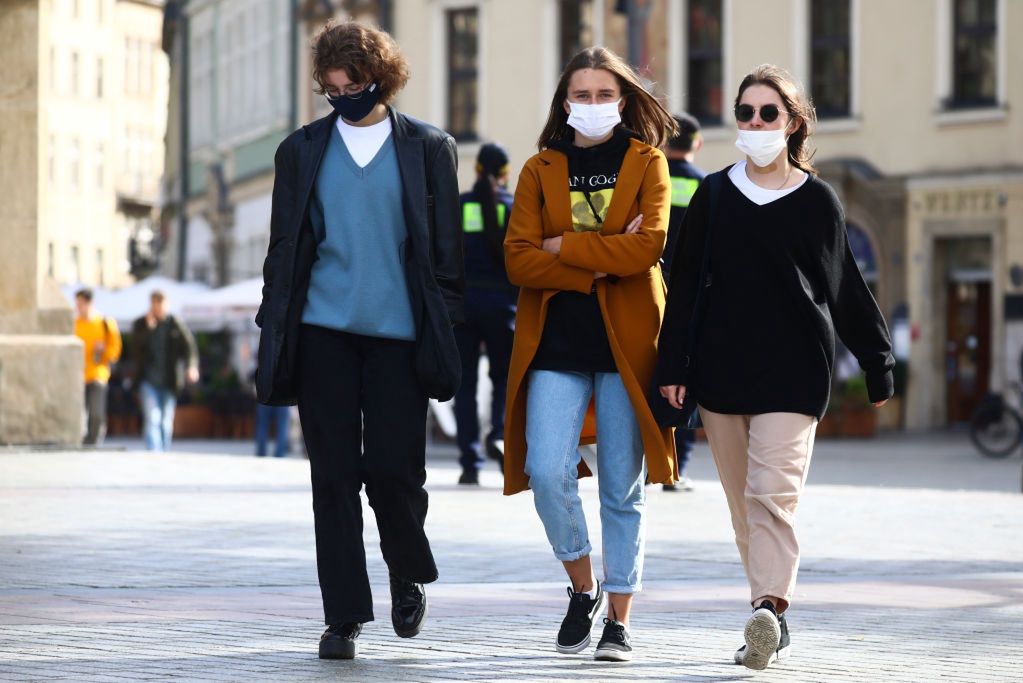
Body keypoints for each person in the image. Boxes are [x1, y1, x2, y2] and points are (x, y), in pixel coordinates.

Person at [657, 64, 894, 671]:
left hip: (795, 370)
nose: (755, 123)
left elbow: (845, 286)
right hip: (722, 370)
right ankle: (770, 619)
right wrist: (673, 365)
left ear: (793, 124)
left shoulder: (817, 199)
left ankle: (769, 606)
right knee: (743, 506)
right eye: (745, 112)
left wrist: (876, 359)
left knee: (772, 496)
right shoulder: (712, 193)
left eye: (768, 113)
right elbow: (683, 287)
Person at [253, 20, 463, 661]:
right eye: (330, 87)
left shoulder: (429, 148)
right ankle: (342, 615)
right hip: (325, 333)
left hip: (401, 337)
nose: (341, 96)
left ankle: (405, 568)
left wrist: (443, 331)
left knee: (394, 471)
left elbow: (449, 260)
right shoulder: (302, 150)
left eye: (354, 85)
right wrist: (274, 325)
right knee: (334, 476)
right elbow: (285, 248)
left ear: (381, 80)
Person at [503, 46, 678, 663]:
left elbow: (647, 249)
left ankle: (621, 620)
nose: (595, 105)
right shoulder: (538, 168)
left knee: (621, 490)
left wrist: (563, 245)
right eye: (583, 94)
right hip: (556, 346)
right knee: (547, 472)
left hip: (628, 347)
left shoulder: (648, 161)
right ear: (565, 101)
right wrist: (600, 251)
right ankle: (584, 586)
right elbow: (517, 259)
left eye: (607, 95)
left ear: (625, 101)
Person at [454, 142, 516, 485]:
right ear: (505, 173)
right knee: (503, 381)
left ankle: (469, 463)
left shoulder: (460, 206)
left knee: (465, 386)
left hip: (464, 307)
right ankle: (499, 436)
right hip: (503, 307)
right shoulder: (513, 207)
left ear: (477, 170)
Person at [660, 113, 705, 493]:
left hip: (649, 287)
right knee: (686, 374)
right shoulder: (706, 187)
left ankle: (646, 460)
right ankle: (678, 467)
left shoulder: (650, 177)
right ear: (698, 144)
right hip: (689, 294)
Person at [131, 290, 199, 452]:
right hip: (148, 381)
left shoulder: (174, 323)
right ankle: (154, 453)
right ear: (151, 305)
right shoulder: (141, 324)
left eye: (161, 304)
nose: (158, 308)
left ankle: (163, 453)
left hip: (169, 381)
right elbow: (134, 348)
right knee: (152, 418)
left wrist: (191, 366)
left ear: (166, 305)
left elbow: (189, 346)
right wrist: (148, 329)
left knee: (165, 421)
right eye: (155, 304)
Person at [74, 288, 123, 446]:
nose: (78, 307)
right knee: (79, 413)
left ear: (89, 303)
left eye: (81, 304)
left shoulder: (104, 323)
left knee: (96, 412)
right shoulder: (74, 324)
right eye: (77, 304)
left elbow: (115, 351)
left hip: (97, 374)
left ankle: (93, 442)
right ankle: (80, 441)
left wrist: (104, 351)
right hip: (77, 375)